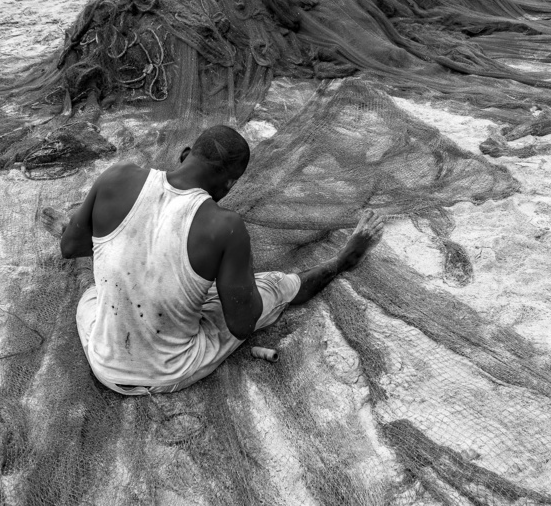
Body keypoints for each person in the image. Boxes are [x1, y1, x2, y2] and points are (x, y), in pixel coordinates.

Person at [41, 125, 384, 395]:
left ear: (185, 153)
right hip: (170, 371)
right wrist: (238, 276)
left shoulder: (117, 177)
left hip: (104, 362)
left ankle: (85, 228)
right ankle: (343, 260)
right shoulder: (225, 226)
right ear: (230, 184)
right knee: (274, 286)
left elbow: (69, 248)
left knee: (95, 293)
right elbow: (242, 325)